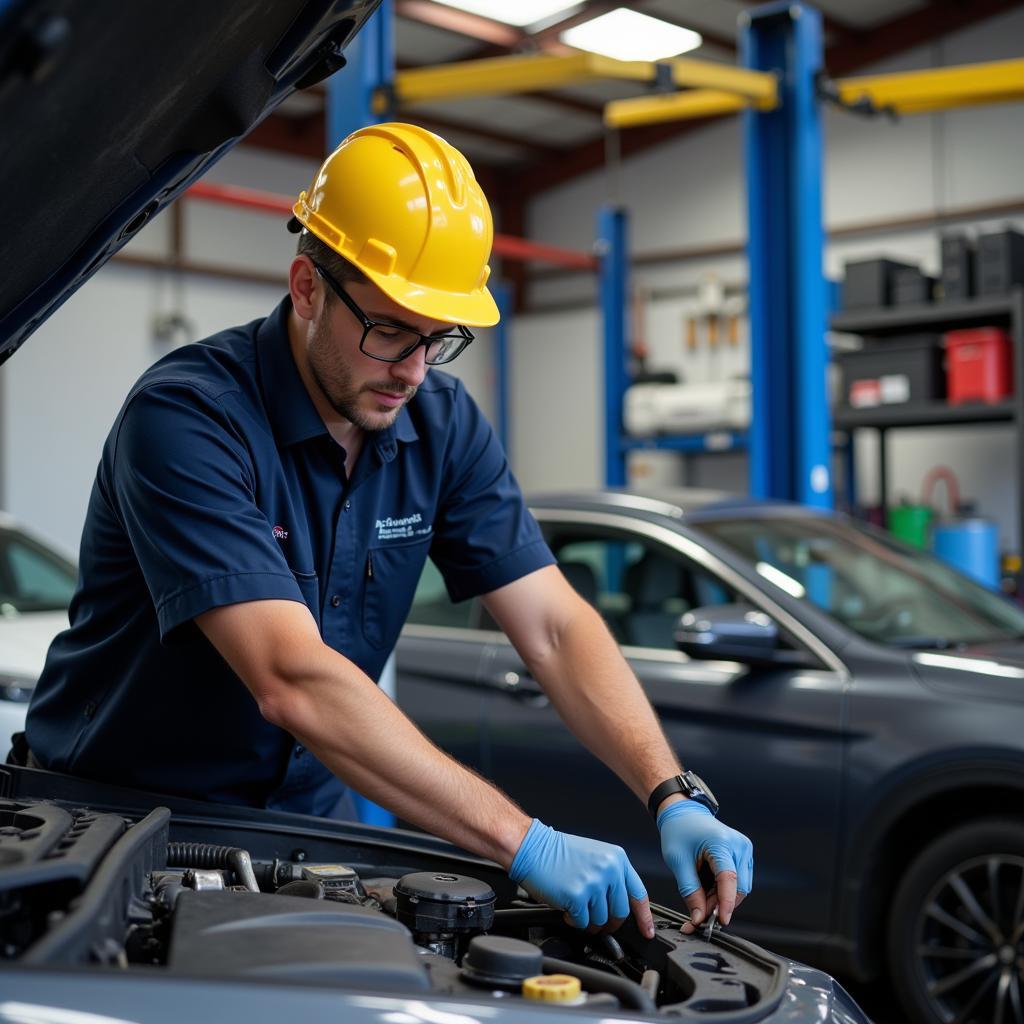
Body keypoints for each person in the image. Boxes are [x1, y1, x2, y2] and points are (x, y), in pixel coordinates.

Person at [19, 122, 752, 937]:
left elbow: (552, 623)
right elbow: (291, 678)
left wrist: (669, 790)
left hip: (307, 832)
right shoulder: (189, 419)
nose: (412, 368)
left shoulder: (440, 422)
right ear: (306, 288)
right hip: (121, 827)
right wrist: (527, 843)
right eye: (390, 330)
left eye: (439, 339)